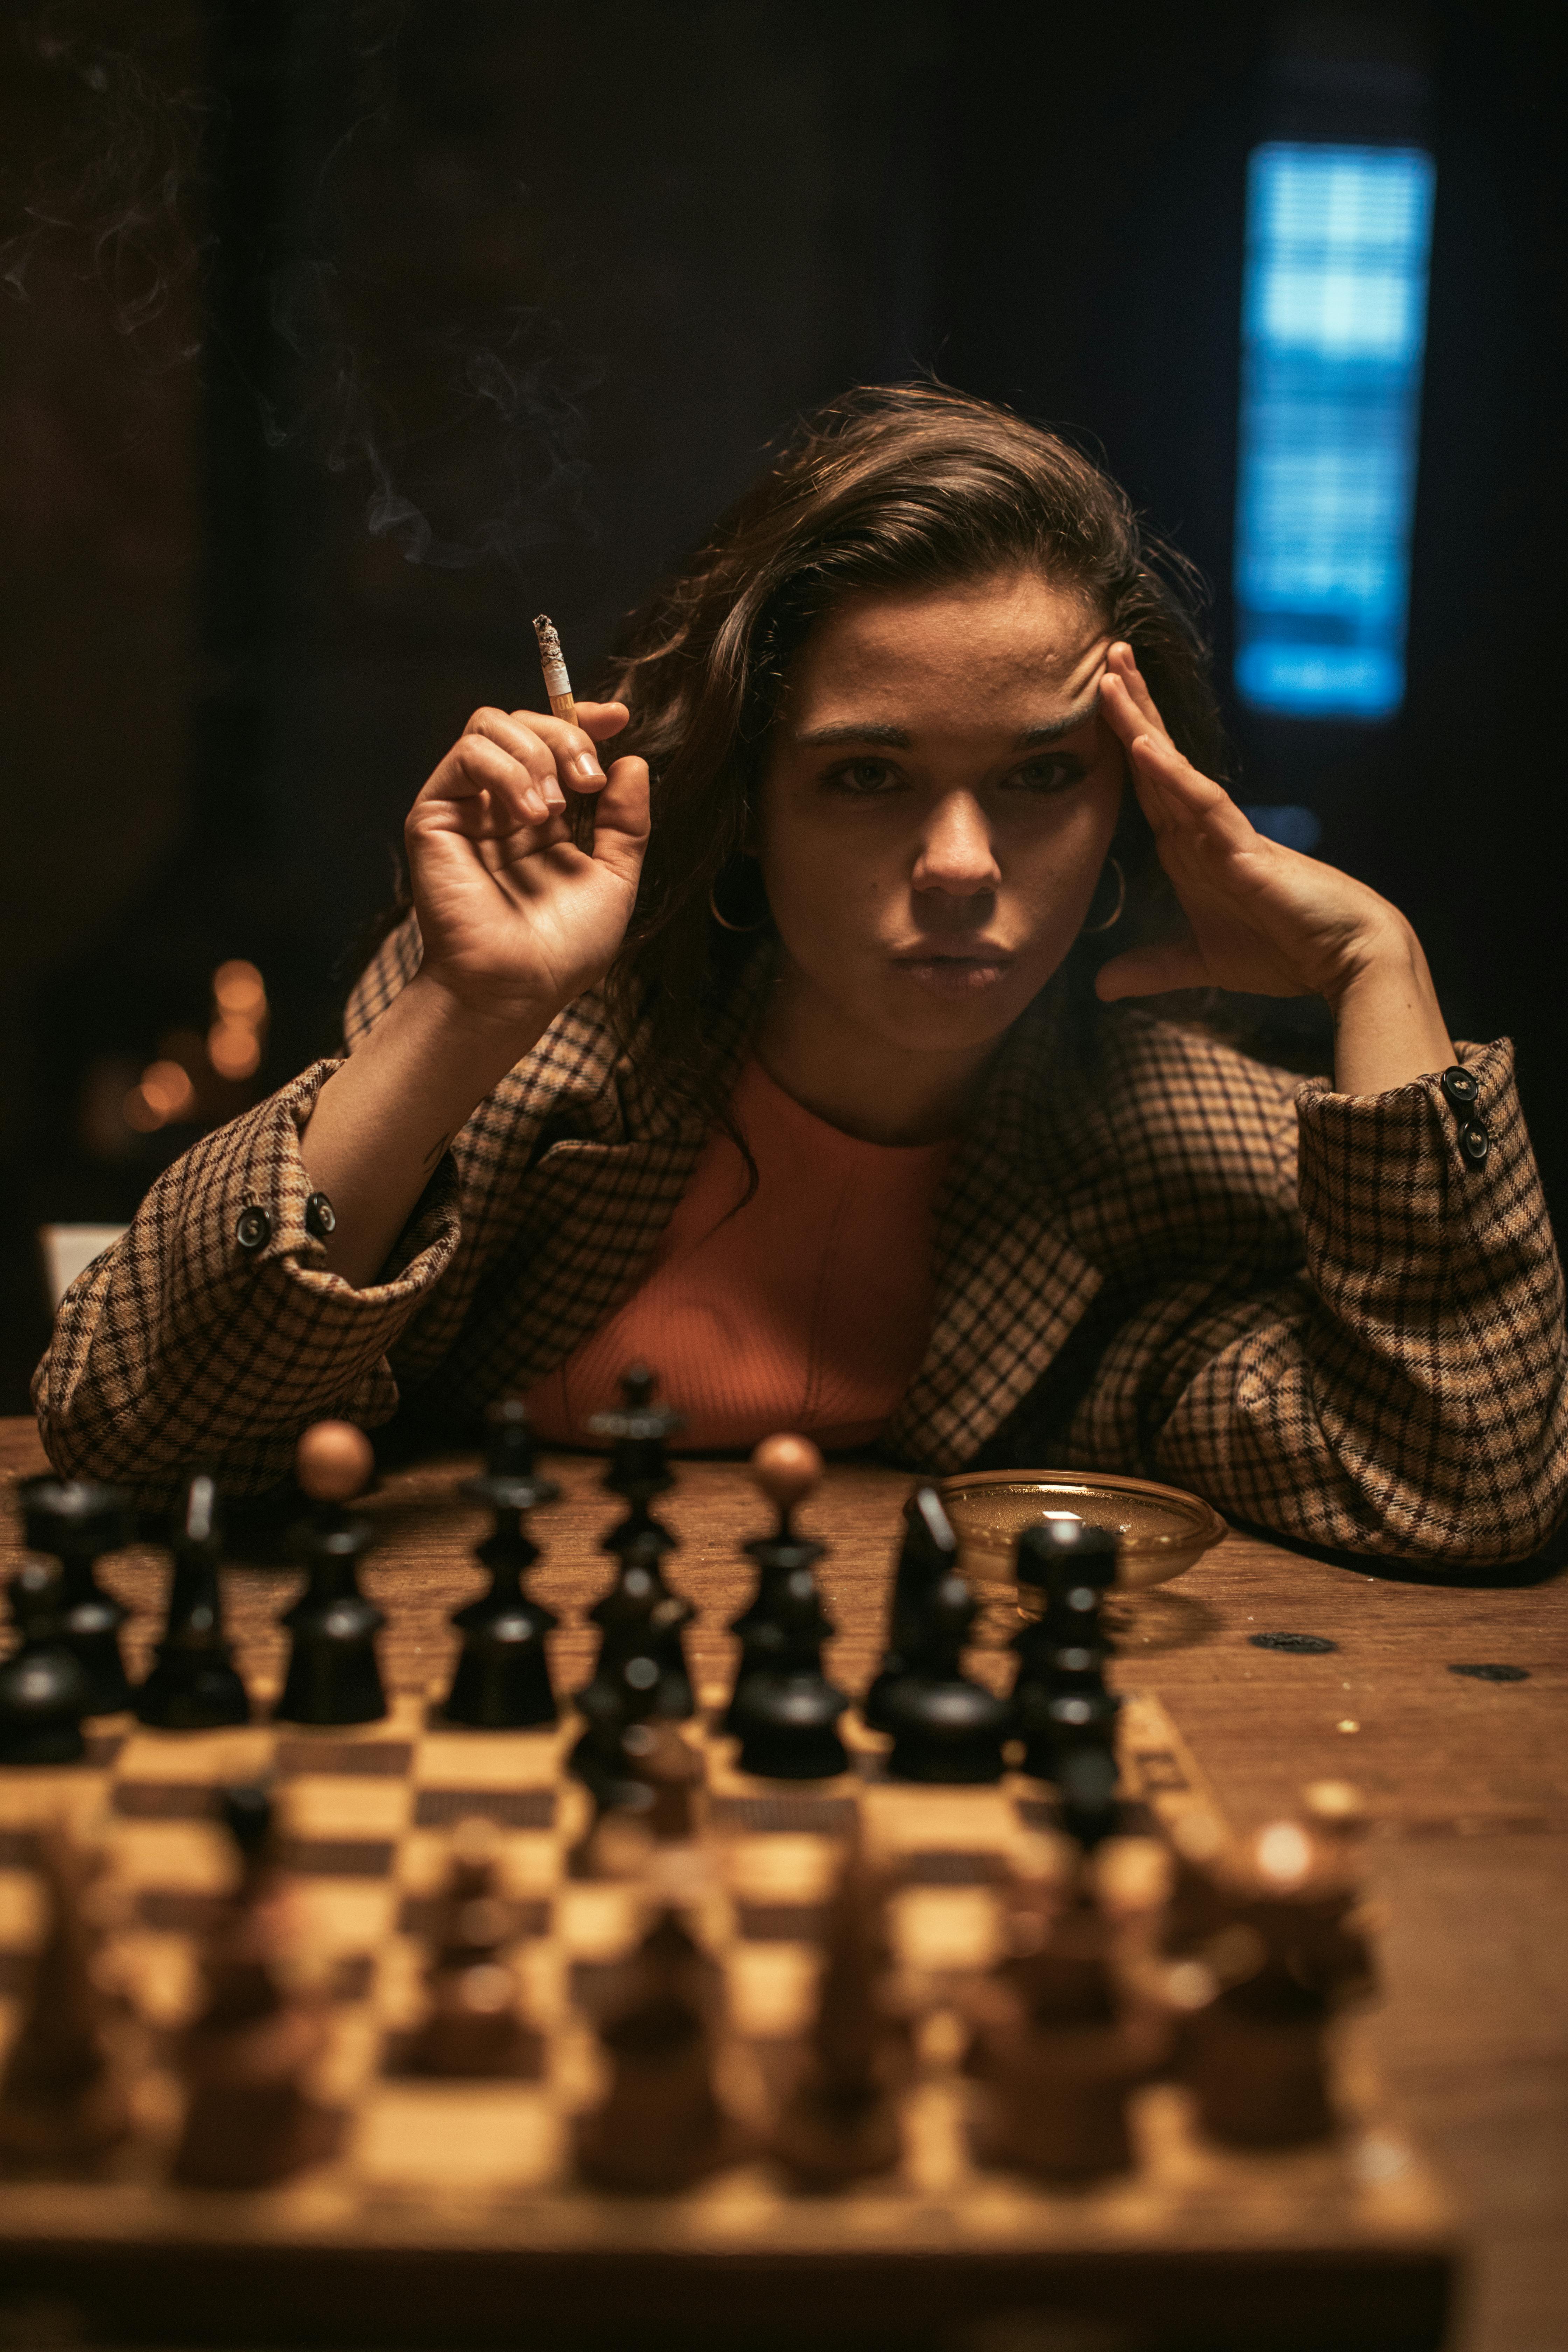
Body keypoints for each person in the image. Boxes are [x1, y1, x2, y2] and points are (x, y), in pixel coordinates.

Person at [34, 386, 1567, 1562]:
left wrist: (1377, 963)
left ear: (1127, 809)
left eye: (1039, 779)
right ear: (751, 806)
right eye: (867, 777)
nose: (961, 863)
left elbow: (1463, 1491)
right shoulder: (545, 1056)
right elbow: (131, 1426)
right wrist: (466, 1010)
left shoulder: (1181, 1152)